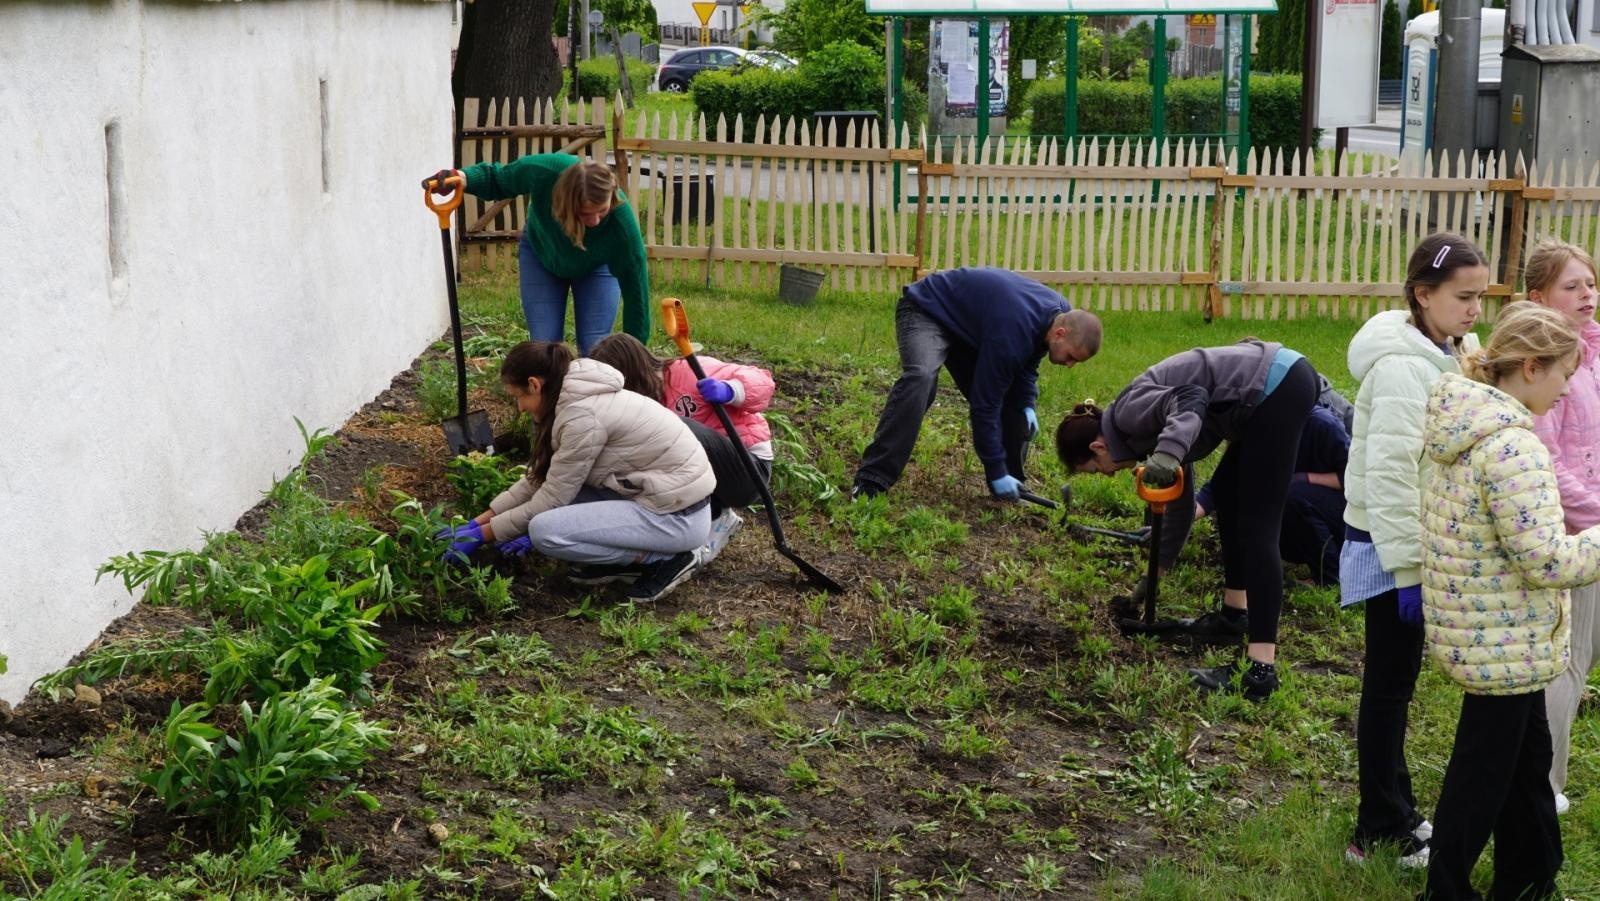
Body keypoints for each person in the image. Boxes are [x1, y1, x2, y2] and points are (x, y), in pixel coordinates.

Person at [1420, 302, 1596, 901]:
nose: (1568, 388)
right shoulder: (1513, 447)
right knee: (1482, 774)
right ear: (1529, 366)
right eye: (1562, 374)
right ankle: (1445, 887)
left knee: (1525, 764)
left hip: (1485, 628)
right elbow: (1547, 560)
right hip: (1506, 638)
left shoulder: (1464, 423)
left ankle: (1530, 876)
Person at [1055, 338, 1318, 701]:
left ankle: (1260, 673)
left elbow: (1190, 398)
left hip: (1276, 385)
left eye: (1097, 469)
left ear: (1097, 447)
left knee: (1259, 528)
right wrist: (1154, 574)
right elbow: (1179, 503)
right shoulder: (1141, 431)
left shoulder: (1128, 413)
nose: (1109, 475)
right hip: (1266, 391)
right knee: (1226, 498)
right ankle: (1233, 617)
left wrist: (1167, 454)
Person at [1342, 233, 1486, 869]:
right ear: (1422, 295)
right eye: (1463, 297)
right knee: (1387, 688)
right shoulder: (1403, 366)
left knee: (1394, 685)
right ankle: (1376, 828)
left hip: (1409, 542)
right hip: (1387, 544)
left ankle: (1397, 811)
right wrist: (1406, 570)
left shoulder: (1443, 350)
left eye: (1482, 297)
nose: (1476, 309)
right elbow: (1393, 474)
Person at [434, 341, 715, 602]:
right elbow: (540, 480)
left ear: (534, 385)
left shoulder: (582, 417)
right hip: (661, 498)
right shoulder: (575, 395)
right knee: (552, 514)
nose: (520, 408)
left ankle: (664, 558)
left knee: (545, 531)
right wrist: (474, 523)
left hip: (678, 518)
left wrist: (483, 535)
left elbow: (551, 499)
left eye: (518, 397)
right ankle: (634, 557)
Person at [851, 267, 1102, 502]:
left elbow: (1027, 364)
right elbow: (985, 406)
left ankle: (1012, 484)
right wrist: (994, 467)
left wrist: (1026, 403)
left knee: (1015, 405)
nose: (1069, 365)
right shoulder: (1013, 331)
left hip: (971, 329)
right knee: (921, 378)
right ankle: (872, 480)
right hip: (928, 310)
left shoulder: (1060, 315)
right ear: (1060, 334)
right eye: (1071, 357)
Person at [1522, 240, 1600, 818]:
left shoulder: (1589, 354)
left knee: (1582, 660)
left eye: (1591, 285)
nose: (1587, 297)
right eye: (1572, 287)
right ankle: (1542, 790)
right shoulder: (1541, 363)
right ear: (1538, 297)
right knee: (1566, 665)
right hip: (1572, 539)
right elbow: (1550, 465)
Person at [424, 155, 649, 354]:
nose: (595, 221)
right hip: (542, 254)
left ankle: (589, 399)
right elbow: (500, 178)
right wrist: (460, 177)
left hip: (596, 268)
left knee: (594, 348)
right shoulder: (546, 172)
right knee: (544, 346)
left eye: (602, 211)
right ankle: (548, 398)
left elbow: (636, 295)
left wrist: (637, 358)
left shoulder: (623, 226)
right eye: (585, 213)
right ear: (565, 201)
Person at [590, 332, 777, 564]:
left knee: (676, 429)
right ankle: (708, 517)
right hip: (704, 476)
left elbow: (763, 381)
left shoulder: (687, 372)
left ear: (630, 374)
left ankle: (714, 515)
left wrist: (731, 390)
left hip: (747, 467)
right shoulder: (643, 402)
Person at [1193, 403, 1349, 586]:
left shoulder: (1323, 425)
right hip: (1293, 514)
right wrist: (1180, 517)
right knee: (1247, 503)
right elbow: (1224, 484)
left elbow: (1355, 478)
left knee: (1292, 495)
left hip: (1339, 515)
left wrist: (1305, 478)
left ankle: (1330, 576)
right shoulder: (1259, 428)